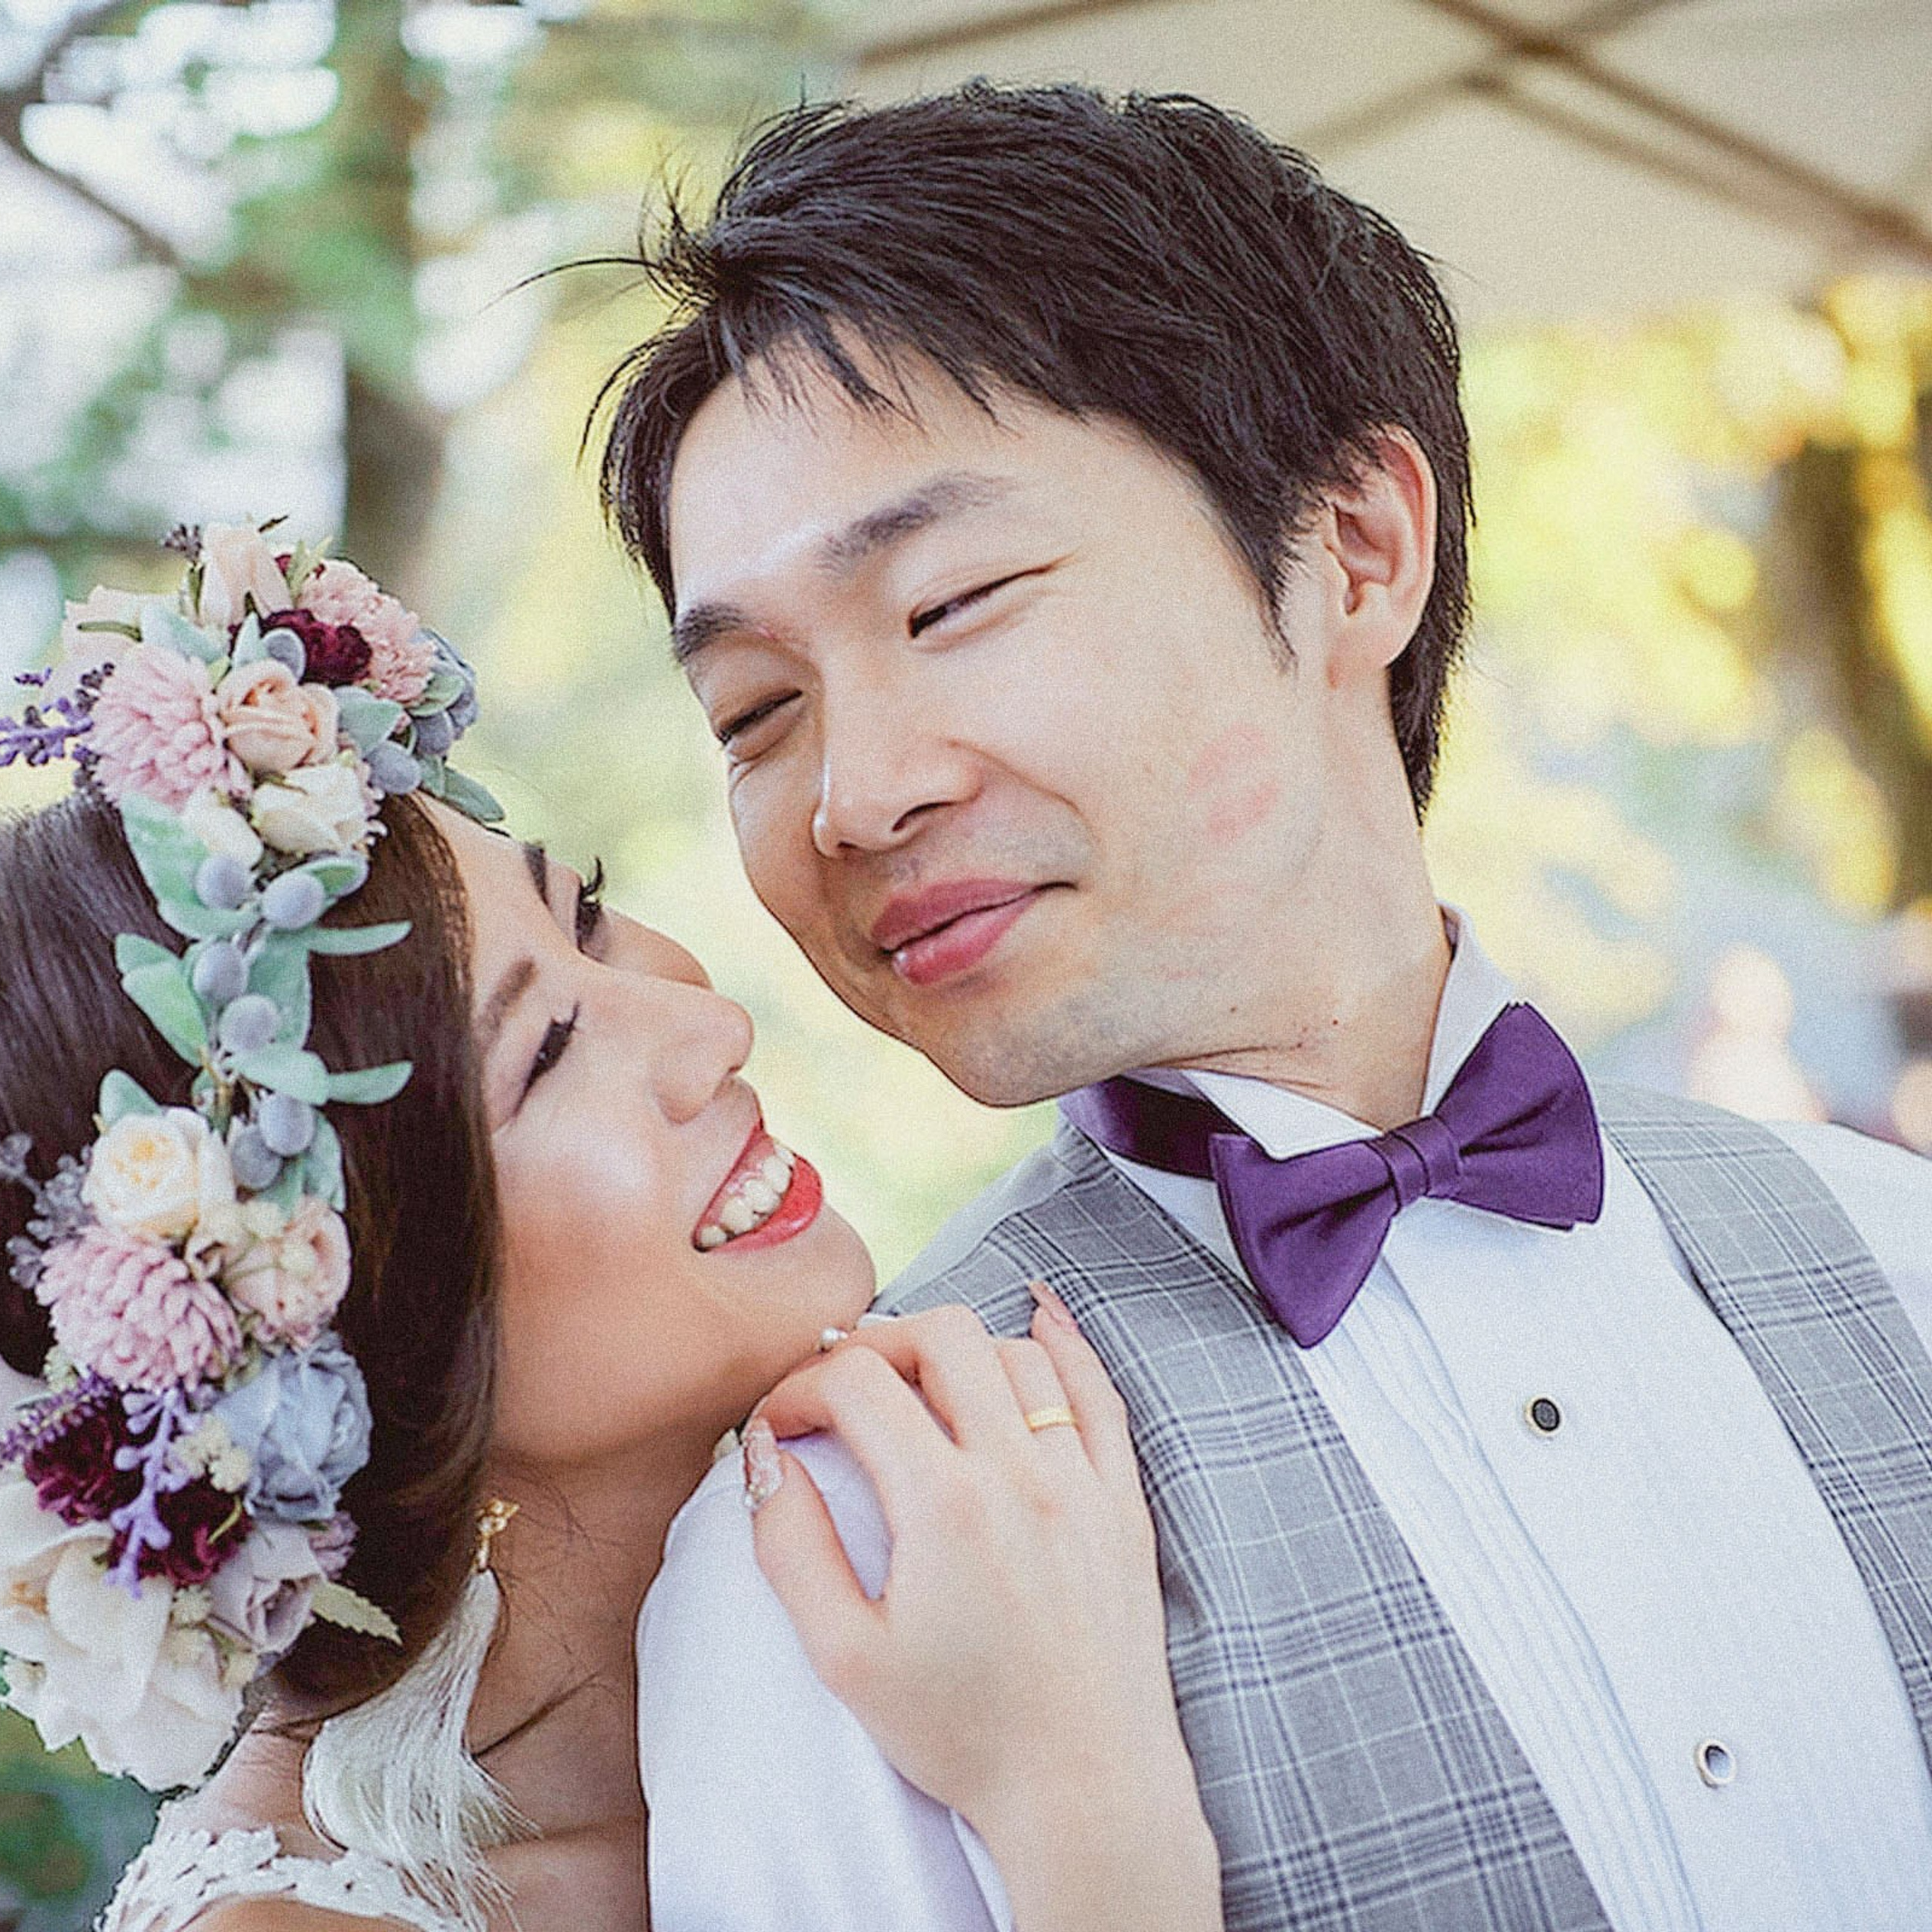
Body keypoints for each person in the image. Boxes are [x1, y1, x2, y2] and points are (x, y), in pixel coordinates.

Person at [599, 82, 1932, 1931]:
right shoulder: (845, 1534)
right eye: (754, 709)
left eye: (951, 600)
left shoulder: (1901, 1256)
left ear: (1353, 548)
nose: (850, 796)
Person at [0, 527, 1220, 1932]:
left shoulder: (957, 1544)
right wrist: (1080, 1812)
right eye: (546, 1052)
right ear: (343, 1313)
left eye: (587, 916)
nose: (711, 1023)